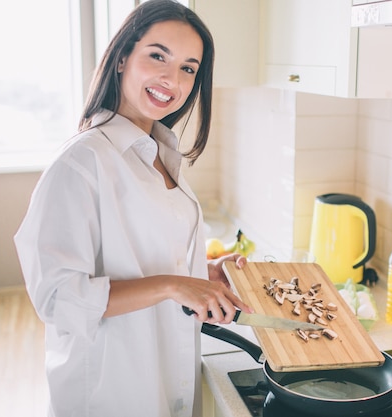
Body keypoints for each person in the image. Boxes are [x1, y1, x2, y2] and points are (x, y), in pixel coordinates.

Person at [14, 1, 252, 416]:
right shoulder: (81, 162)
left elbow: (144, 257)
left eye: (188, 68)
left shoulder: (159, 151)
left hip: (165, 373)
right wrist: (172, 285)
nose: (171, 79)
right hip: (111, 389)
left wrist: (201, 277)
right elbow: (57, 299)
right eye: (158, 56)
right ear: (123, 57)